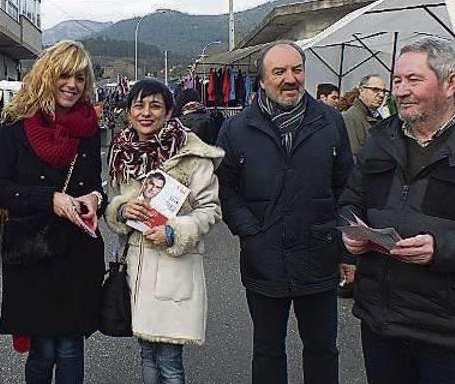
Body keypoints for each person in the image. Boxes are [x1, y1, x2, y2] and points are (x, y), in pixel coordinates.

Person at [338, 37, 455, 384]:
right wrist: (349, 233)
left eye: (414, 80)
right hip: (381, 323)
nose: (400, 91)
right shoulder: (381, 139)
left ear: (450, 84)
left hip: (450, 331)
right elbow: (351, 200)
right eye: (397, 81)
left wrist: (441, 248)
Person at [216, 41, 354, 384]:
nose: (290, 79)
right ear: (262, 80)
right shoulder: (236, 129)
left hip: (319, 255)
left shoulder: (331, 122)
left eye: (297, 70)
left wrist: (346, 250)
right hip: (264, 259)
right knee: (267, 350)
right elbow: (224, 188)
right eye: (279, 72)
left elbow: (348, 189)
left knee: (323, 349)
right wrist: (250, 230)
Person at [0, 40, 106, 384]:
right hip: (32, 251)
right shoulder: (15, 125)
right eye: (64, 76)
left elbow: (95, 183)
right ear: (46, 76)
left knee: (70, 347)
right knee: (43, 351)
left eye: (80, 78)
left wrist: (95, 199)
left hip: (77, 251)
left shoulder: (88, 128)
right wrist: (48, 199)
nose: (72, 85)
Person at [105, 79, 223, 384]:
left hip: (175, 268)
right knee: (146, 354)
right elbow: (112, 203)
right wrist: (121, 209)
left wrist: (175, 232)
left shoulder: (192, 155)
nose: (147, 113)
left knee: (170, 362)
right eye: (139, 105)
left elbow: (211, 210)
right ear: (129, 112)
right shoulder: (121, 153)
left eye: (155, 105)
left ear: (169, 111)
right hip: (136, 269)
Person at [342, 74, 388, 157]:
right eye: (375, 90)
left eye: (383, 91)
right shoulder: (352, 117)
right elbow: (354, 155)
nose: (381, 95)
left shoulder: (377, 116)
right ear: (361, 90)